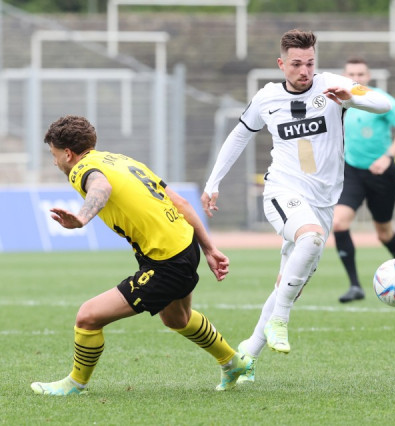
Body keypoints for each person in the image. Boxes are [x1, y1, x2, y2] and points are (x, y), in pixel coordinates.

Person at [201, 30, 391, 382]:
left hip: (323, 200)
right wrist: (213, 182)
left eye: (310, 63)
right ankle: (280, 320)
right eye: (296, 64)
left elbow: (384, 104)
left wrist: (351, 97)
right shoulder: (267, 98)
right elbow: (239, 135)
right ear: (281, 64)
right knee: (311, 236)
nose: (304, 71)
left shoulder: (332, 85)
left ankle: (246, 355)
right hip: (282, 189)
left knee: (291, 281)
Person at [31, 115, 251, 396]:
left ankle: (75, 384)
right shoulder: (120, 160)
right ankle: (233, 362)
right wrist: (208, 248)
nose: (55, 162)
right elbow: (180, 202)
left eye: (54, 155)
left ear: (68, 153)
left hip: (167, 260)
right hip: (185, 244)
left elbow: (101, 187)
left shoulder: (81, 168)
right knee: (177, 318)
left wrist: (82, 218)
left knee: (88, 317)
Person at [333, 57, 395, 303]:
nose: (356, 78)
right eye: (351, 74)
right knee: (339, 222)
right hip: (352, 171)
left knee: (384, 233)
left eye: (361, 74)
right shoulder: (337, 100)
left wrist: (388, 157)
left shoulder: (381, 100)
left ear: (368, 77)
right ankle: (355, 286)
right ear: (344, 76)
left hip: (381, 173)